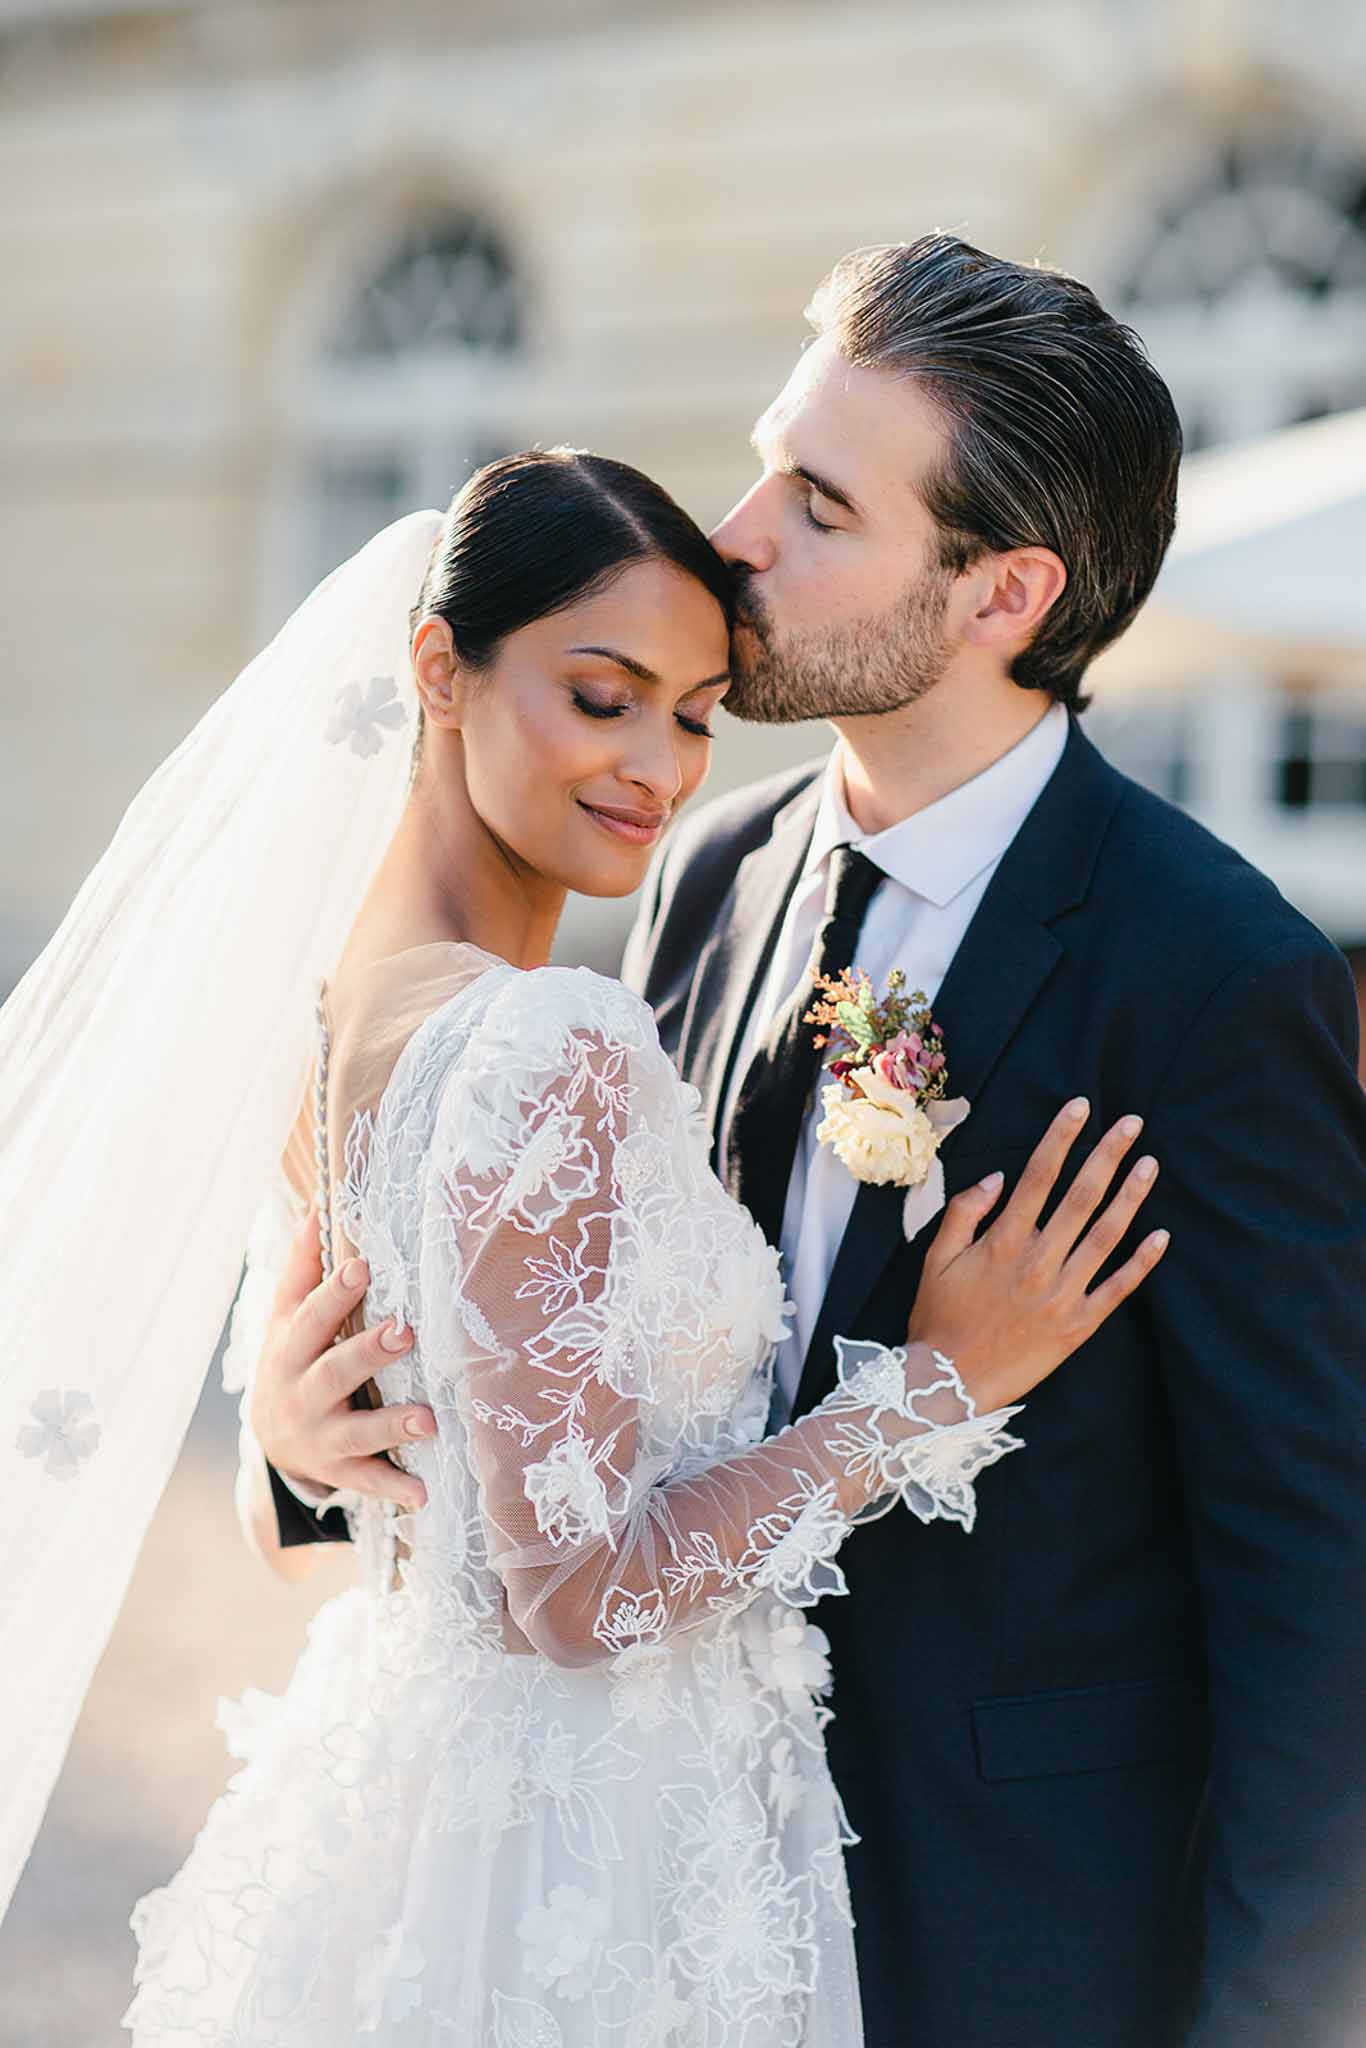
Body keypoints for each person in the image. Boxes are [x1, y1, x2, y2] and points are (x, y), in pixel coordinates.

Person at [256, 239, 1366, 2048]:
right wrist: (319, 1445)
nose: (738, 529)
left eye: (822, 505)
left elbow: (1320, 1607)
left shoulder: (1213, 974)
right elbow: (568, 1361)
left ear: (1003, 592)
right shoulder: (702, 866)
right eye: (770, 459)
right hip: (645, 1906)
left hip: (1012, 1945)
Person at [0, 446, 1162, 2044]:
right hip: (590, 1865)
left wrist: (295, 1437)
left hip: (411, 1821)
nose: (657, 767)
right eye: (600, 695)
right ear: (437, 669)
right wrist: (937, 1386)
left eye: (691, 713)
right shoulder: (545, 1039)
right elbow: (575, 1599)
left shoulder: (318, 1026)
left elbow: (347, 1521)